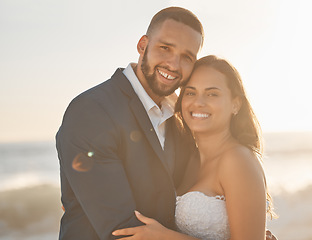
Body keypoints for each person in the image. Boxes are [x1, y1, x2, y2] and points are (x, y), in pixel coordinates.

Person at [56, 7, 203, 240]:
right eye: (165, 48)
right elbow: (123, 233)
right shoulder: (92, 111)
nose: (174, 64)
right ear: (142, 45)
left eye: (187, 57)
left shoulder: (181, 118)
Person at [112, 55, 276, 240]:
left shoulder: (237, 160)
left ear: (235, 104)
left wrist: (165, 237)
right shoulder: (188, 156)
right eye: (190, 92)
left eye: (212, 94)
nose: (198, 102)